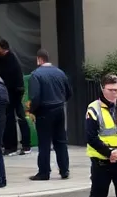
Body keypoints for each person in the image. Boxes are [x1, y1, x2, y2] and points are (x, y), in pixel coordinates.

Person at [27, 50, 71, 181]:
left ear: (39, 59)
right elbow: (69, 92)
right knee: (60, 141)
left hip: (44, 111)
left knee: (44, 143)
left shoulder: (36, 75)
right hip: (59, 109)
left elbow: (35, 97)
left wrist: (32, 110)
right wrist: (61, 101)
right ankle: (64, 170)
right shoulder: (60, 72)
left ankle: (44, 172)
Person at [0, 40, 29, 156]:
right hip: (11, 91)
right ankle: (17, 144)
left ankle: (15, 145)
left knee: (13, 117)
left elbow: (9, 76)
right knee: (15, 117)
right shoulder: (4, 58)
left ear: (1, 48)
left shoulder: (9, 59)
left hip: (13, 92)